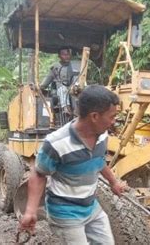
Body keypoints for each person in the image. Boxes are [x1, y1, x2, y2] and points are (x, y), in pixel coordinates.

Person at [19, 85, 125, 244]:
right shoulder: (56, 143)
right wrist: (30, 211)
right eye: (112, 116)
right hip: (65, 212)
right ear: (94, 116)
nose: (114, 121)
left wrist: (114, 182)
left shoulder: (102, 136)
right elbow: (39, 174)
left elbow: (99, 161)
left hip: (91, 207)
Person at [39, 47, 81, 119]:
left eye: (68, 54)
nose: (66, 56)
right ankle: (66, 108)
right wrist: (40, 87)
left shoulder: (76, 65)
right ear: (59, 56)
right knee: (63, 89)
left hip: (75, 88)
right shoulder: (55, 67)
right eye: (64, 54)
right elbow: (46, 81)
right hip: (60, 89)